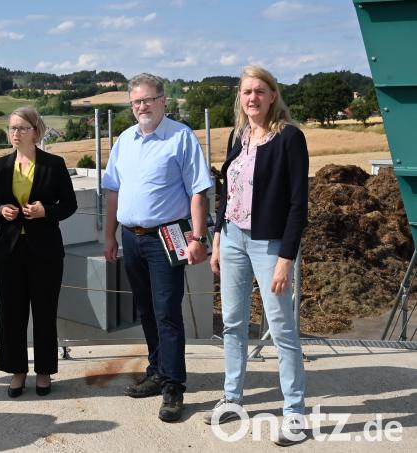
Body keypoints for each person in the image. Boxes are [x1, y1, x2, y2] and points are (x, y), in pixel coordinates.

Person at [204, 65, 308, 447]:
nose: (252, 98)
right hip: (232, 239)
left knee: (282, 329)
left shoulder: (289, 138)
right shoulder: (239, 135)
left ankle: (295, 413)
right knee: (232, 323)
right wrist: (217, 239)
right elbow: (226, 193)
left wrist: (286, 258)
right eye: (247, 92)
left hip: (269, 245)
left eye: (260, 92)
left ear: (273, 96)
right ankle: (232, 398)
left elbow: (299, 204)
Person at [102, 73, 212, 422]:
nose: (142, 107)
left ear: (163, 100)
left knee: (167, 312)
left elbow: (198, 190)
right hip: (132, 238)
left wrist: (197, 237)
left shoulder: (180, 137)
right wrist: (109, 236)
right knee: (146, 310)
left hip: (168, 236)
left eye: (148, 99)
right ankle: (156, 371)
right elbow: (113, 193)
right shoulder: (124, 140)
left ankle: (174, 387)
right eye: (136, 102)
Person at [0, 106, 77, 397]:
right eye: (11, 128)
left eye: (22, 128)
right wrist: (1, 209)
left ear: (36, 131)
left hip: (45, 251)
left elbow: (70, 205)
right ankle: (17, 371)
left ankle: (45, 371)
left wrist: (45, 211)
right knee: (11, 313)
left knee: (45, 312)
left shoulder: (54, 164)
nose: (15, 133)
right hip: (9, 251)